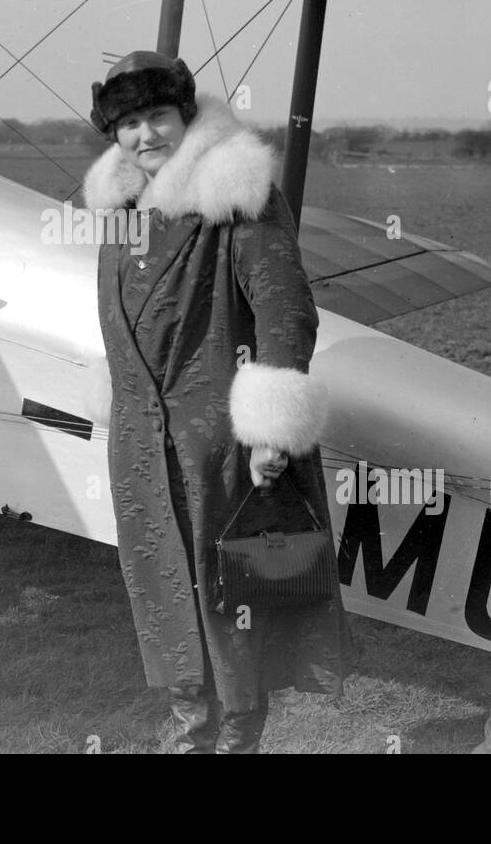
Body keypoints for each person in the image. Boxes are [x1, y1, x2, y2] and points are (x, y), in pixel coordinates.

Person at [83, 50, 355, 754]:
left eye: (159, 117)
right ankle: (190, 731)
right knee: (167, 600)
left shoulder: (238, 193)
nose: (146, 136)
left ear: (186, 115)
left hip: (222, 446)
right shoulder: (121, 211)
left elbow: (286, 313)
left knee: (232, 604)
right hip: (144, 449)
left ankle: (233, 740)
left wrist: (271, 434)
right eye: (130, 123)